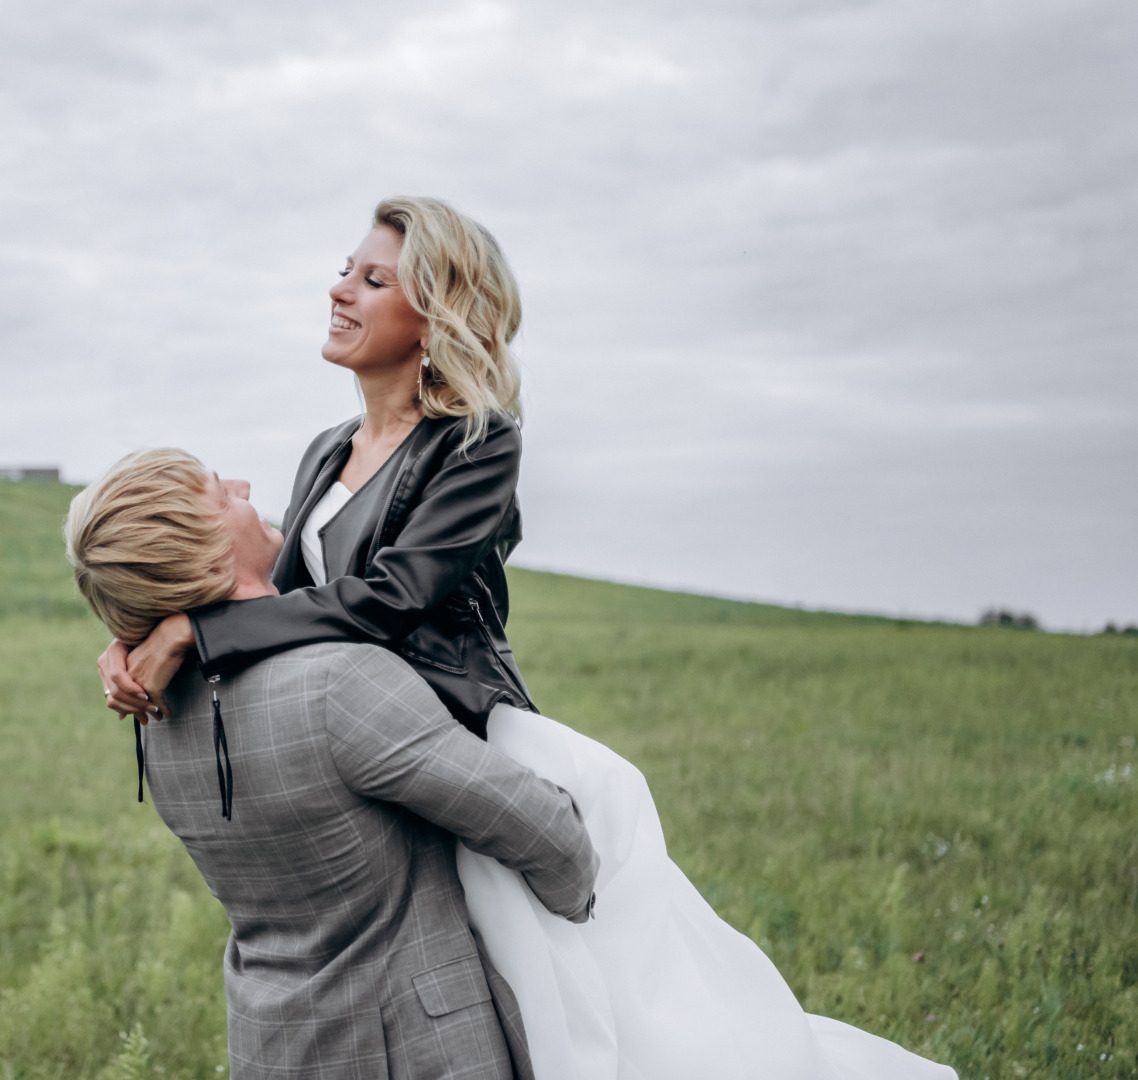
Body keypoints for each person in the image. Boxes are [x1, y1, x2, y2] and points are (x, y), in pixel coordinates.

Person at [95, 197, 959, 1079]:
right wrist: (148, 635)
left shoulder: (475, 443)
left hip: (457, 727)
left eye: (372, 277)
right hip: (355, 735)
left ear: (432, 314)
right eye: (345, 268)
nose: (340, 287)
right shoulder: (324, 451)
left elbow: (395, 598)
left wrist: (196, 633)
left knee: (586, 997)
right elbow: (280, 603)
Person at [64, 447, 601, 1080]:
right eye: (221, 493)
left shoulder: (155, 724)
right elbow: (553, 840)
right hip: (414, 1050)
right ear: (204, 549)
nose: (244, 486)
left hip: (270, 1046)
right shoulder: (341, 683)